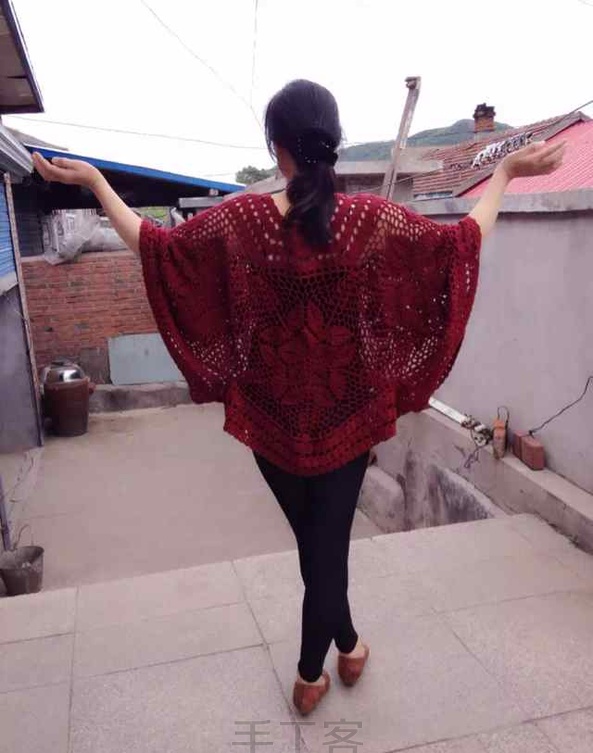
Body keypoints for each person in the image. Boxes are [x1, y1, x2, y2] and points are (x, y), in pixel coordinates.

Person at [32, 79, 565, 716]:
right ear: (333, 144)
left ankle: (321, 665)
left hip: (271, 422)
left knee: (319, 549)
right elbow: (460, 243)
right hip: (346, 419)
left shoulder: (243, 221)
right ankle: (337, 653)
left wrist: (98, 184)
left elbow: (158, 247)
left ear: (277, 148)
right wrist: (502, 173)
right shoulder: (368, 220)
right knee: (324, 549)